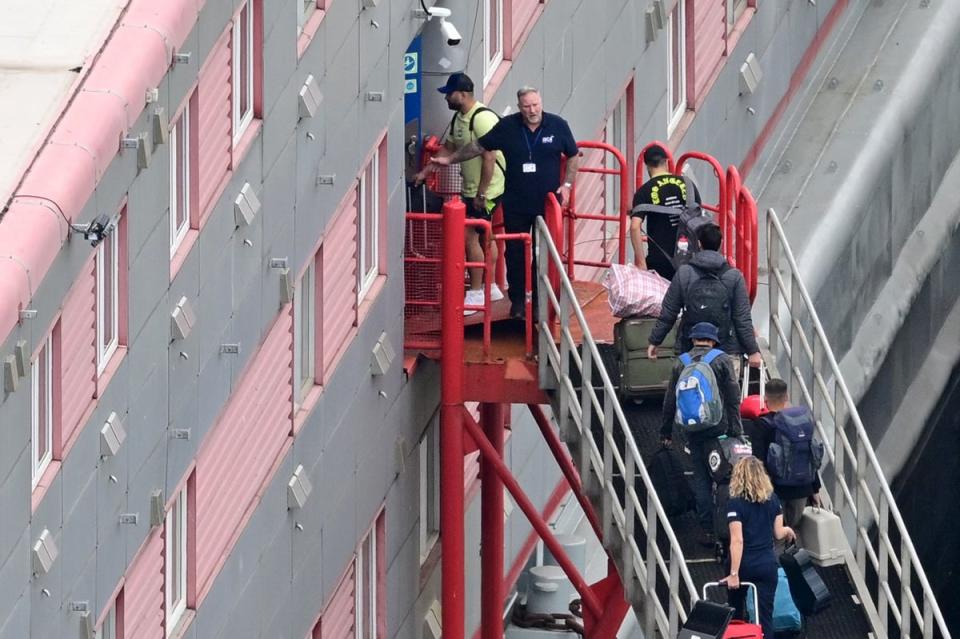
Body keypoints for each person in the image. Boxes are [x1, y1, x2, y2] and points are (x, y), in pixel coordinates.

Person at [430, 86, 579, 319]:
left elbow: (572, 155)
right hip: (516, 201)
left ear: (541, 103)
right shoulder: (508, 126)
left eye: (536, 105)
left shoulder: (558, 125)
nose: (532, 110)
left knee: (543, 254)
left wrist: (567, 185)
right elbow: (478, 147)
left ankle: (540, 301)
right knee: (516, 253)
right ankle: (518, 301)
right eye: (527, 106)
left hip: (547, 203)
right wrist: (449, 159)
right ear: (520, 107)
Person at [414, 72, 506, 315]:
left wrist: (482, 193)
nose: (446, 98)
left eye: (449, 94)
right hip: (473, 187)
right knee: (486, 235)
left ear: (462, 94)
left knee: (469, 236)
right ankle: (492, 286)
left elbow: (490, 157)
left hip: (486, 189)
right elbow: (448, 149)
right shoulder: (459, 119)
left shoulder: (482, 118)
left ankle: (476, 292)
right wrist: (425, 171)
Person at [661, 321, 743, 547]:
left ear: (692, 339)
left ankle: (707, 531)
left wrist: (666, 431)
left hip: (693, 430)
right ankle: (729, 528)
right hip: (720, 430)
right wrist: (737, 429)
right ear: (714, 340)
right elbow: (733, 398)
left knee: (701, 481)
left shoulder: (681, 362)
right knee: (726, 478)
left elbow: (670, 400)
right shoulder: (722, 360)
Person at [647, 223, 762, 368]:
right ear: (720, 244)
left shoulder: (684, 273)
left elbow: (668, 312)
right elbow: (742, 319)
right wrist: (753, 350)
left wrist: (655, 341)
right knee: (727, 390)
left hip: (690, 350)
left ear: (699, 244)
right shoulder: (734, 277)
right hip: (726, 350)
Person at [723, 456, 797, 639]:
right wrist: (788, 530)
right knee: (765, 619)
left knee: (735, 613)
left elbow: (737, 540)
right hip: (766, 565)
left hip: (743, 565)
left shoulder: (735, 504)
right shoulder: (773, 500)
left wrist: (734, 573)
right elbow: (778, 533)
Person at [752, 378, 822, 542]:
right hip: (802, 488)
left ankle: (778, 562)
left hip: (775, 490)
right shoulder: (802, 422)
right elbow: (810, 454)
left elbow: (758, 461)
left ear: (765, 399)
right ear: (787, 397)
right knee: (792, 529)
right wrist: (815, 488)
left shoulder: (762, 424)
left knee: (775, 533)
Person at [629, 144, 701, 280]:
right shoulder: (688, 184)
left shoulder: (644, 191)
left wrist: (641, 263)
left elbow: (634, 227)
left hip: (660, 262)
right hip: (689, 259)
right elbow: (700, 220)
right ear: (667, 162)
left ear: (647, 166)